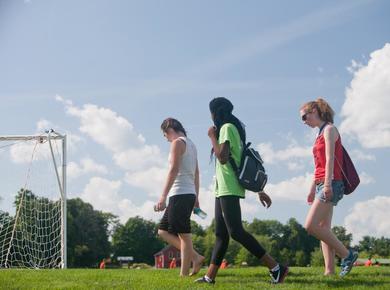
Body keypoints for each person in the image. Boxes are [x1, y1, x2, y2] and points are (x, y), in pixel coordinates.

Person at [195, 97, 288, 284]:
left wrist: (212, 136)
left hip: (228, 187)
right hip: (222, 188)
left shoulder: (227, 128)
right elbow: (240, 161)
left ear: (215, 112)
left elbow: (223, 157)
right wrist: (259, 190)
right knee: (221, 234)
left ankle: (277, 268)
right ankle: (209, 277)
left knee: (236, 231)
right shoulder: (233, 127)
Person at [300, 98, 358, 277]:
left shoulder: (330, 130)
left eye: (304, 117)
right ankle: (329, 271)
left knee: (311, 226)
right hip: (321, 184)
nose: (304, 121)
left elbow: (331, 159)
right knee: (324, 228)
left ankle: (348, 255)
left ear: (315, 111)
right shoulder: (319, 134)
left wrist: (326, 184)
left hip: (331, 183)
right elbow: (319, 165)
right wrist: (312, 188)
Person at [155, 118, 205, 277]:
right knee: (163, 231)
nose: (167, 139)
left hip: (180, 193)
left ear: (169, 129)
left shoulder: (177, 143)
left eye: (165, 136)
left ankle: (183, 275)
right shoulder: (192, 145)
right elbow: (197, 173)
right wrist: (196, 196)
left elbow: (174, 169)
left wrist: (163, 196)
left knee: (184, 234)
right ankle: (196, 257)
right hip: (187, 194)